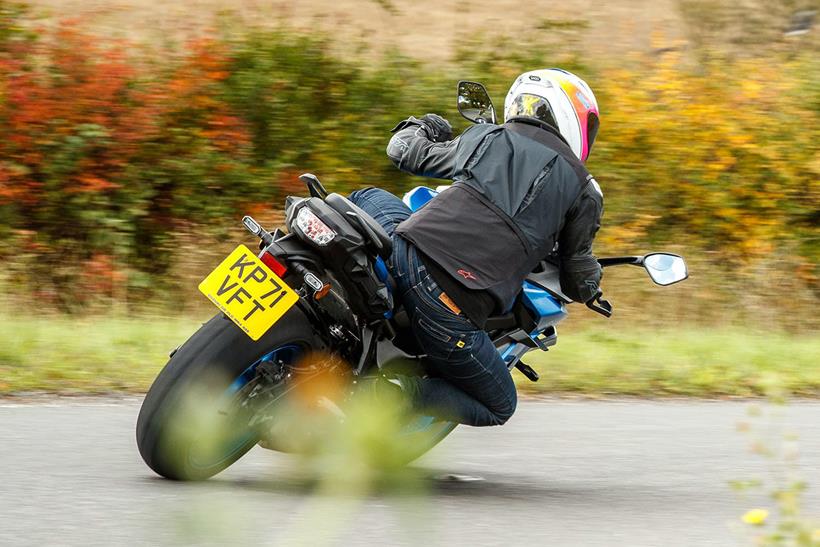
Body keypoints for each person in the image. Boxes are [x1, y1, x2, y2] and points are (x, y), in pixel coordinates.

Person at [349, 69, 604, 427]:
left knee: (368, 196)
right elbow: (578, 279)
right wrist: (594, 282)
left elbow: (403, 151)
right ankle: (390, 392)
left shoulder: (488, 136)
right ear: (573, 119)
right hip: (448, 297)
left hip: (405, 249)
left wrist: (422, 125)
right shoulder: (583, 189)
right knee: (500, 405)